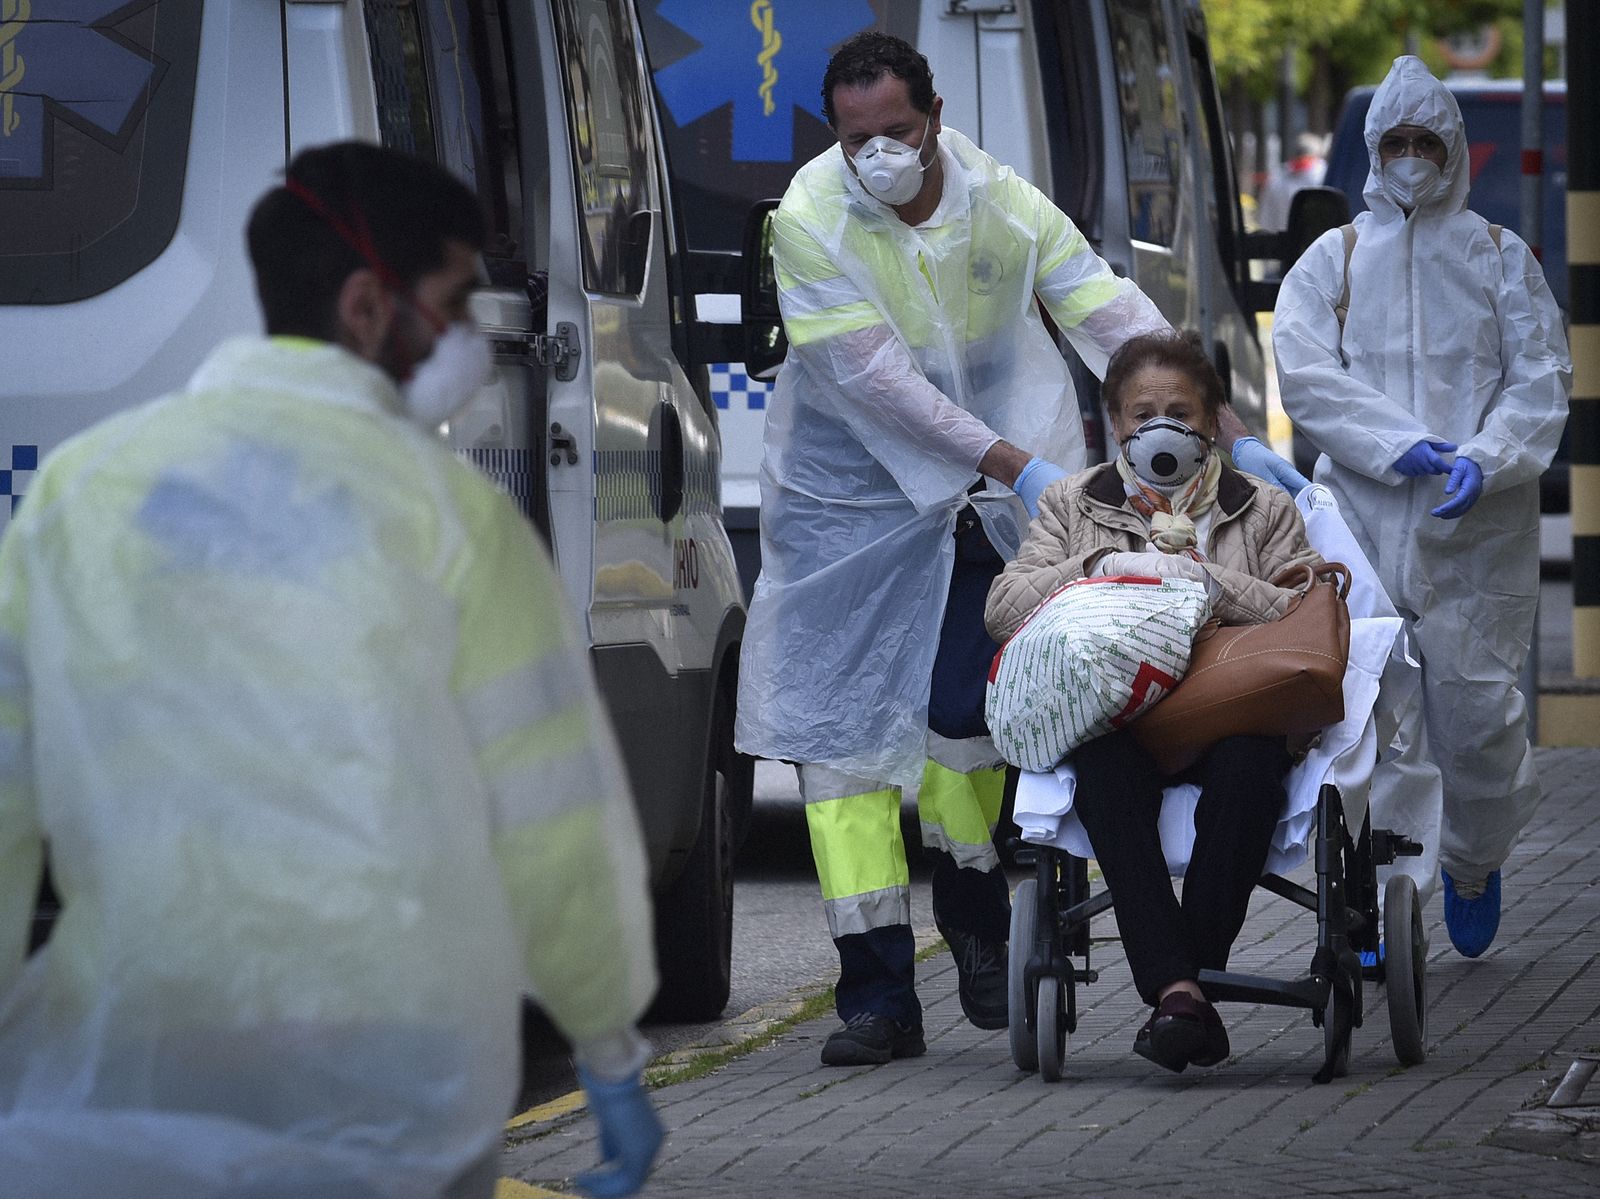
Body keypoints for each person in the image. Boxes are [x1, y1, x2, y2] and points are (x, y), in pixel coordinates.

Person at [0, 143, 662, 1198]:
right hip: (394, 1074)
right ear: (366, 306)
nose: (468, 339)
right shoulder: (454, 522)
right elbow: (551, 821)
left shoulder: (81, 490)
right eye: (451, 303)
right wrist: (606, 1037)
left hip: (129, 1054)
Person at [734, 32, 1305, 1069]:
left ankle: (977, 931)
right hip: (847, 502)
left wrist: (1219, 425)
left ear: (937, 114)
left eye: (898, 132)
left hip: (988, 499)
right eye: (858, 138)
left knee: (969, 714)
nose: (880, 156)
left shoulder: (997, 198)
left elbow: (1105, 312)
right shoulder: (811, 221)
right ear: (835, 135)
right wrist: (1017, 464)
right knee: (840, 745)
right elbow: (878, 386)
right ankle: (875, 994)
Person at [1273, 56, 1571, 959]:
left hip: (1473, 531)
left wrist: (1486, 458)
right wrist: (1392, 443)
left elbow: (1542, 378)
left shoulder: (1496, 256)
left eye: (1424, 142)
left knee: (1480, 724)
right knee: (1366, 722)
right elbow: (1304, 370)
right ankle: (1371, 896)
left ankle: (1472, 862)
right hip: (1363, 522)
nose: (1410, 157)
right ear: (1372, 150)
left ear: (1451, 152)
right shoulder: (1338, 255)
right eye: (1394, 142)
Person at [984, 330, 1323, 1072]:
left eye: (1180, 411)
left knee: (1251, 767)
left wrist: (1205, 581)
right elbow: (1005, 606)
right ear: (1115, 425)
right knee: (1103, 774)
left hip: (1230, 714)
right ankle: (1184, 991)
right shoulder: (1075, 504)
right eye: (1142, 414)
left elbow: (1305, 611)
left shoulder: (1261, 508)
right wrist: (1101, 564)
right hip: (1122, 719)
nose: (1159, 427)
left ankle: (1180, 991)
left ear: (1211, 423)